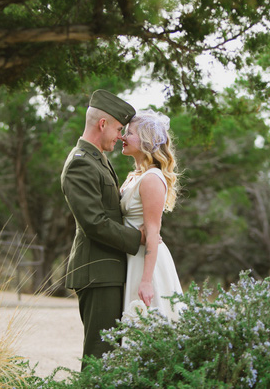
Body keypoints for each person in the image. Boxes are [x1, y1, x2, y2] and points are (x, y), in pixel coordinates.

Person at [60, 89, 145, 365]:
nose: (120, 136)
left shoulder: (98, 160)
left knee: (111, 358)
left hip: (108, 270)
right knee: (100, 358)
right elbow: (94, 223)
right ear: (102, 124)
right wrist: (138, 238)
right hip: (98, 271)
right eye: (119, 128)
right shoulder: (80, 163)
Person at [120, 109, 184, 321]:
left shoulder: (151, 179)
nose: (123, 137)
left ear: (146, 141)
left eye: (129, 133)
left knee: (149, 321)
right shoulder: (135, 176)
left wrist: (146, 280)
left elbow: (153, 230)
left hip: (145, 262)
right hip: (131, 257)